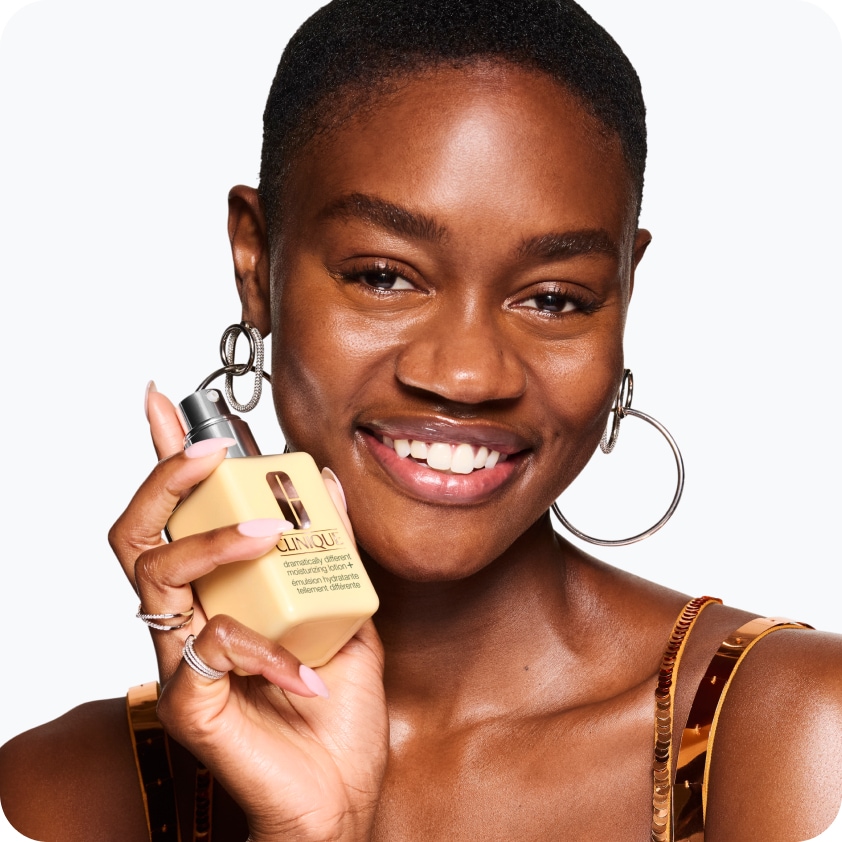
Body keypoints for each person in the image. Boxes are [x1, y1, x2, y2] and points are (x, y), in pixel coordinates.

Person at [1, 1, 841, 841]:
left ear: (626, 290)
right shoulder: (54, 795)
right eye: (383, 277)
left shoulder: (793, 731)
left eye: (554, 297)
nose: (469, 374)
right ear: (256, 264)